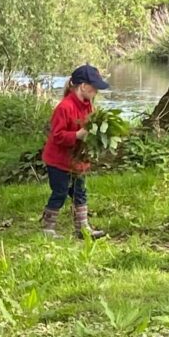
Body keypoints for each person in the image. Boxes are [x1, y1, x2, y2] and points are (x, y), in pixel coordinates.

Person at [39, 64, 109, 239]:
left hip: (77, 160)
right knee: (60, 192)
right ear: (83, 86)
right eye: (94, 88)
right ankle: (48, 228)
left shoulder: (88, 106)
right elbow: (57, 136)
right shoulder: (65, 107)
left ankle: (83, 228)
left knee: (80, 192)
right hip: (59, 161)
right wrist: (77, 135)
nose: (96, 92)